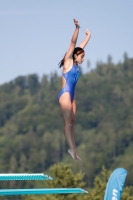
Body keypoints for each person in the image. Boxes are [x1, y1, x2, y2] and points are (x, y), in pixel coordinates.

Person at [58, 19, 91, 160]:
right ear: (75, 56)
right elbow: (73, 44)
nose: (83, 58)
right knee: (67, 123)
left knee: (72, 123)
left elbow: (80, 46)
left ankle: (74, 149)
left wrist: (88, 36)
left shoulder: (76, 62)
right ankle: (72, 148)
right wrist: (77, 28)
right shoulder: (68, 62)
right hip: (65, 94)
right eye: (82, 56)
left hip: (72, 97)